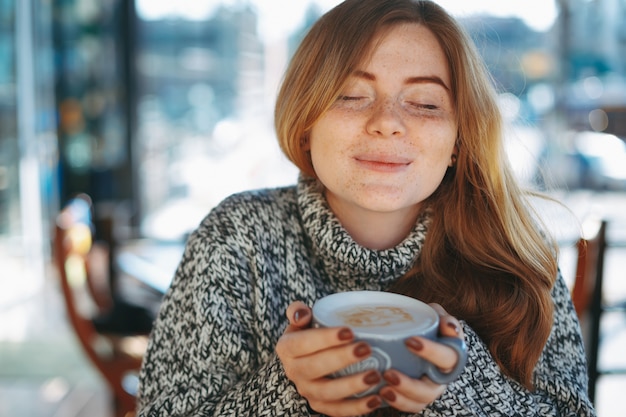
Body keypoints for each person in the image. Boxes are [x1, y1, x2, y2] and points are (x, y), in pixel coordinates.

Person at [136, 0, 596, 416]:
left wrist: (462, 388)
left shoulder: (515, 250)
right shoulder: (236, 237)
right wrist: (289, 393)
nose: (388, 124)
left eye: (424, 103)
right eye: (352, 96)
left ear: (458, 140)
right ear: (306, 122)